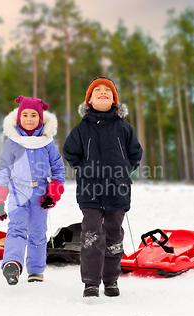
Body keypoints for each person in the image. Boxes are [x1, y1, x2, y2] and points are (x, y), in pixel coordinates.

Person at [63, 77, 143, 297]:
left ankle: (111, 280)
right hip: (90, 192)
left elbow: (135, 153)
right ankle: (90, 283)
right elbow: (70, 152)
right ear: (89, 100)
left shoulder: (124, 128)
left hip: (118, 190)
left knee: (113, 235)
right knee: (91, 236)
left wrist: (124, 169)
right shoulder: (81, 129)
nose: (102, 92)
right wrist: (84, 168)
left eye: (107, 90)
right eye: (97, 90)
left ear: (114, 100)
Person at [0, 96, 66, 285]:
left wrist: (53, 192)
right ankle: (12, 264)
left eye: (34, 115)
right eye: (25, 115)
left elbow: (58, 169)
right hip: (18, 192)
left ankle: (35, 269)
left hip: (40, 194)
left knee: (38, 233)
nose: (29, 119)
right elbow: (4, 171)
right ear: (18, 118)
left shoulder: (47, 143)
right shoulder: (12, 143)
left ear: (40, 119)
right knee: (16, 229)